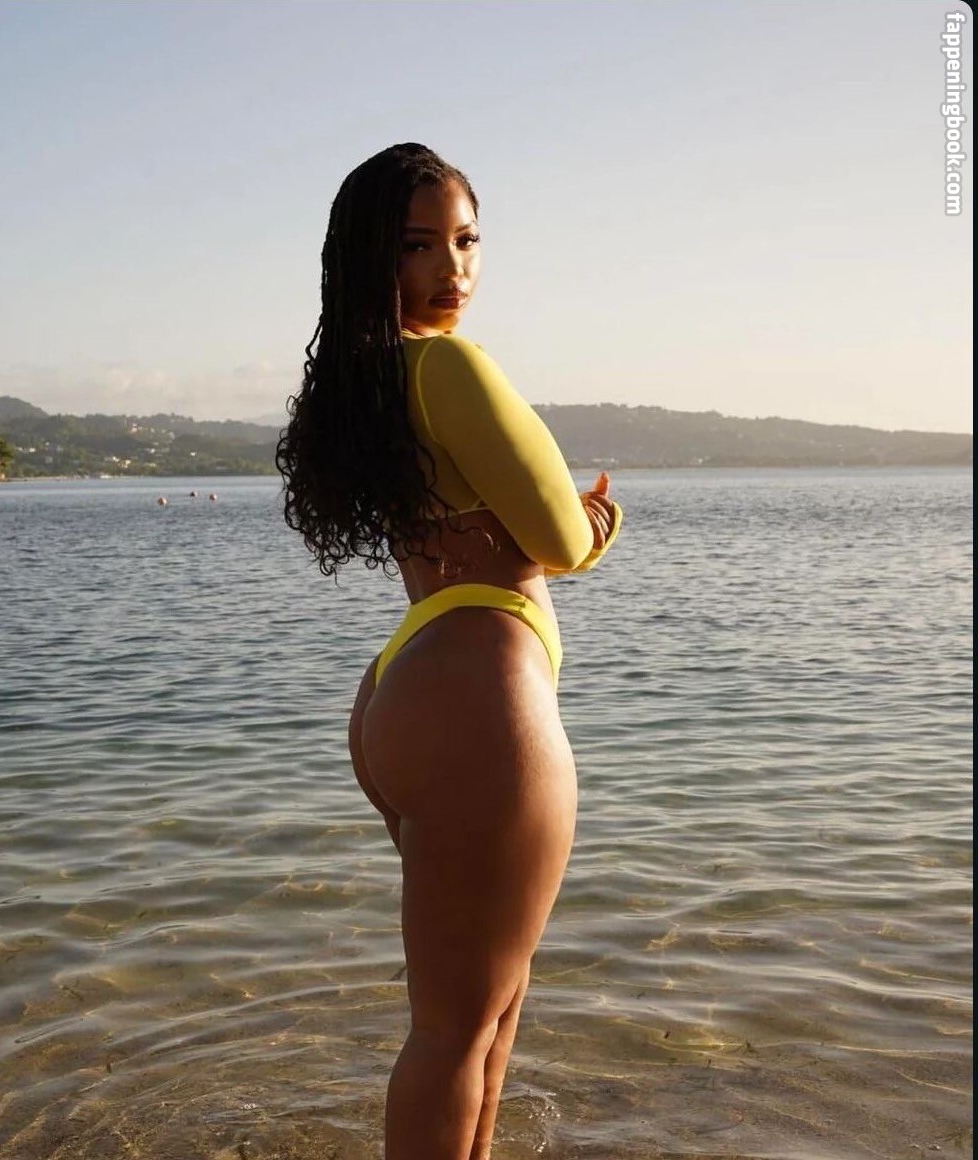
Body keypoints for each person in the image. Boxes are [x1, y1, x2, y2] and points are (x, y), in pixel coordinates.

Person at [276, 143, 622, 1160]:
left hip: (412, 682)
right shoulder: (447, 366)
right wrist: (600, 524)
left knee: (486, 1011)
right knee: (458, 1029)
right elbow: (560, 539)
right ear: (369, 259)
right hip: (481, 702)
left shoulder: (368, 387)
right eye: (418, 245)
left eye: (465, 241)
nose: (451, 268)